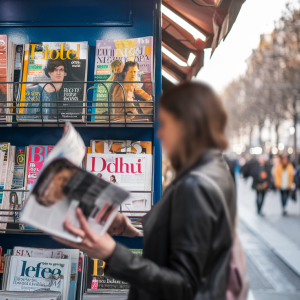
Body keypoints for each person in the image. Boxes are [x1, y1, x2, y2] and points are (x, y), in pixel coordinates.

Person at [53, 82, 239, 300]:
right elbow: (183, 249)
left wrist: (112, 254)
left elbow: (185, 286)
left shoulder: (196, 186)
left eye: (166, 124)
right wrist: (132, 231)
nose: (160, 132)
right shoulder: (211, 172)